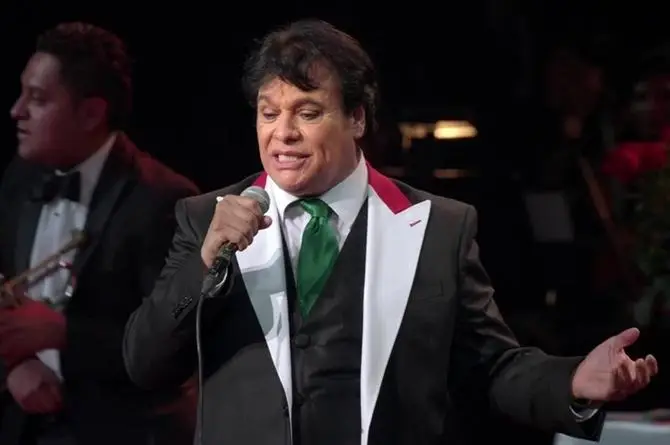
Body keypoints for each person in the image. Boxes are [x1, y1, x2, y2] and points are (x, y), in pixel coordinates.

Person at [123, 19, 658, 445]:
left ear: (357, 118)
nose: (282, 133)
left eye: (307, 113)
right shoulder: (206, 218)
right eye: (268, 113)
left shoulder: (438, 228)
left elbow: (492, 367)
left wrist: (573, 383)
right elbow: (145, 365)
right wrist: (203, 264)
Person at [0, 22, 200, 445]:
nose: (16, 111)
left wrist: (63, 336)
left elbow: (175, 347)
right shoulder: (20, 177)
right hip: (25, 425)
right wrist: (15, 365)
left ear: (91, 113)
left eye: (37, 99)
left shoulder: (163, 199)